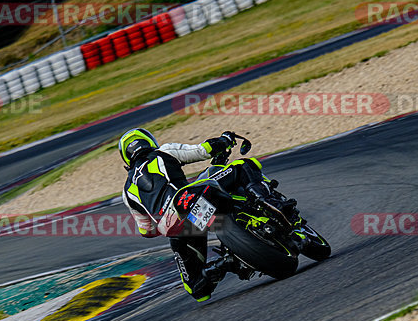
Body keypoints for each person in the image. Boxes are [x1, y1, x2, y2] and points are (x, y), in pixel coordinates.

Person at [119, 128, 303, 302]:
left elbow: (147, 230)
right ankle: (270, 203)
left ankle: (226, 264)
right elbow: (203, 150)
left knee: (197, 289)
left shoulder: (127, 192)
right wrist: (225, 140)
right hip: (187, 198)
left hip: (175, 226)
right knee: (243, 165)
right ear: (149, 141)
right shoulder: (163, 152)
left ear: (126, 158)